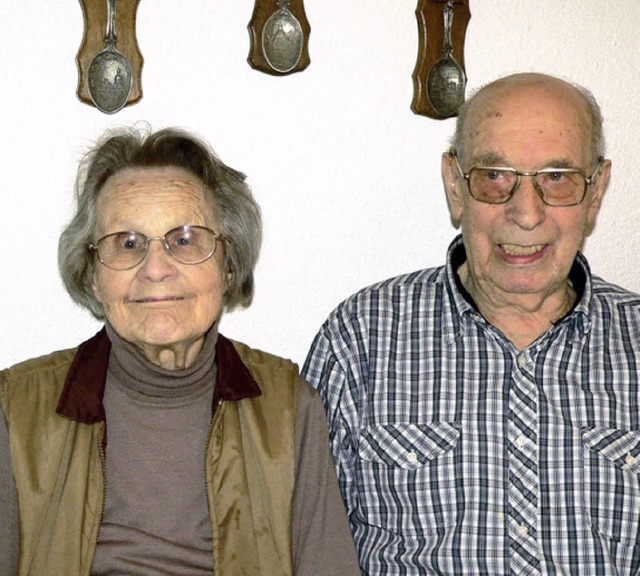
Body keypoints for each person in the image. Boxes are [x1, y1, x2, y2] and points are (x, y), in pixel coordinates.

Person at [302, 73, 640, 574]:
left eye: (557, 178)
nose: (526, 215)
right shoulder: (362, 337)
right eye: (495, 176)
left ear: (595, 193)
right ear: (455, 186)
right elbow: (301, 542)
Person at [0, 126, 360, 576]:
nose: (155, 269)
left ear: (228, 267)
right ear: (93, 274)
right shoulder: (15, 411)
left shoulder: (289, 409)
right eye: (127, 243)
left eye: (184, 239)